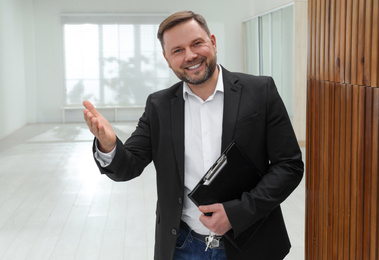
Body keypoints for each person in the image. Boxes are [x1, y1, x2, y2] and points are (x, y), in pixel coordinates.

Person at [83, 10, 304, 260]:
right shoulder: (159, 106)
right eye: (177, 50)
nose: (190, 56)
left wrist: (237, 213)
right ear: (167, 59)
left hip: (251, 242)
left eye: (197, 43)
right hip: (183, 247)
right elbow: (128, 166)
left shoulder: (260, 91)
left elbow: (289, 166)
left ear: (213, 41)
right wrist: (109, 145)